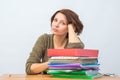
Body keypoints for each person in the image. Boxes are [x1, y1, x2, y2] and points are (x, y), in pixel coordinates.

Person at [26, 9, 84, 75]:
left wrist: (71, 27)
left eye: (63, 23)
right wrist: (52, 63)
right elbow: (29, 68)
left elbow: (75, 61)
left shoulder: (74, 41)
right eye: (55, 20)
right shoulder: (44, 39)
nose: (56, 25)